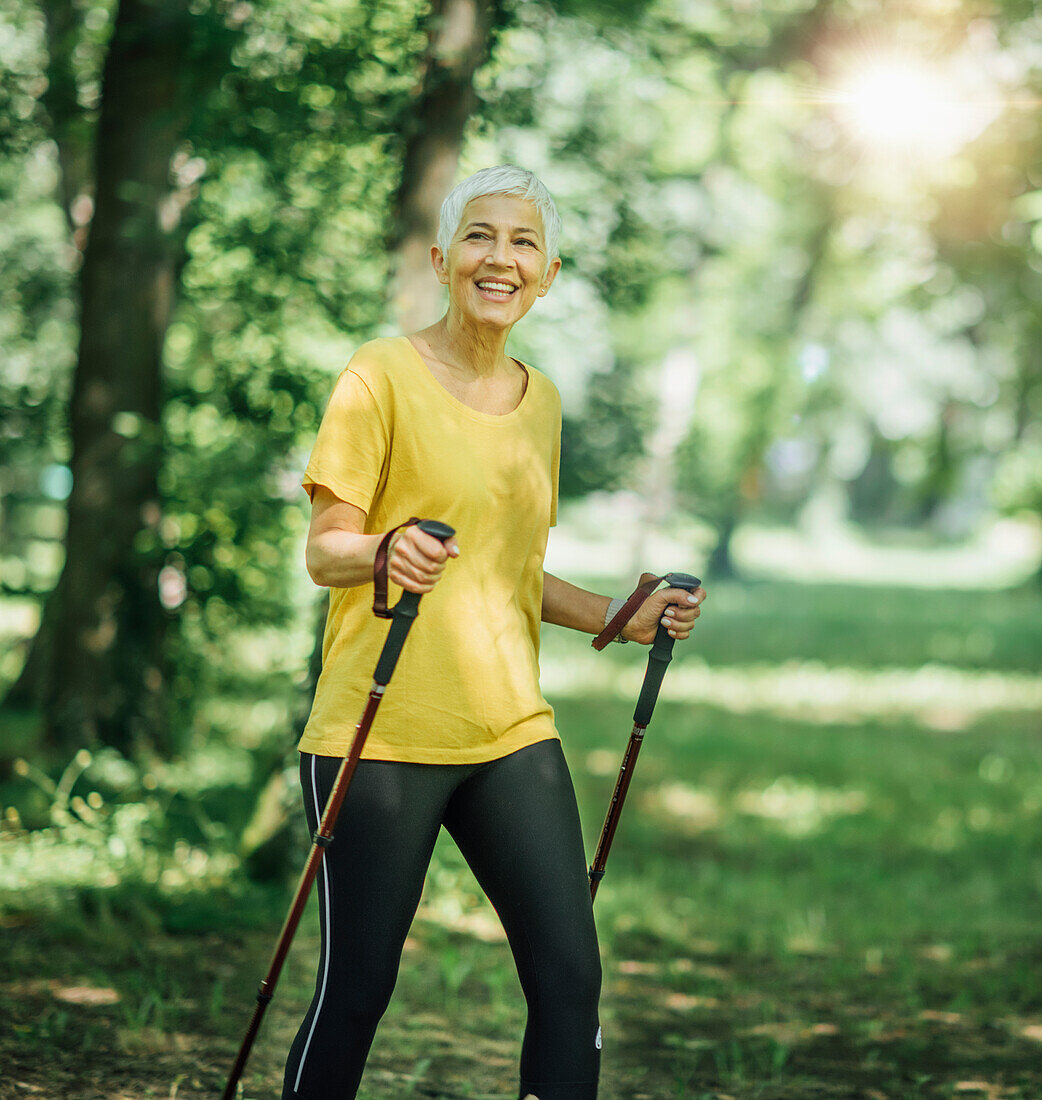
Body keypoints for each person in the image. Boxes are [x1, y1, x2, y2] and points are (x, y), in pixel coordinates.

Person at [284, 165, 706, 1100]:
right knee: (357, 990)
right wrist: (385, 548)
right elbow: (326, 551)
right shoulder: (379, 373)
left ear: (548, 274)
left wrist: (616, 615)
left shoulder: (541, 399)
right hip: (380, 730)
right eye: (480, 236)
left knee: (570, 979)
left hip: (510, 730)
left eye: (523, 242)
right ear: (443, 259)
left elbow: (508, 568)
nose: (500, 257)